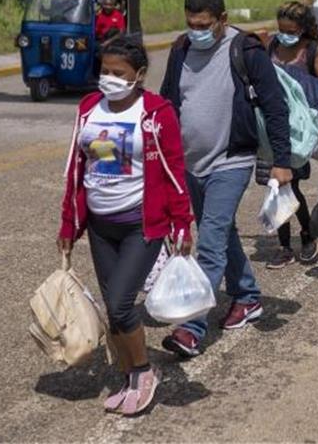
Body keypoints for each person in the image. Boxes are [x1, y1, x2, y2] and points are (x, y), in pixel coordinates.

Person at [57, 36, 194, 417]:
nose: (110, 79)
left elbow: (174, 171)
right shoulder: (88, 109)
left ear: (140, 75)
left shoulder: (156, 112)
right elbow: (76, 170)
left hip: (140, 225)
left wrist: (182, 223)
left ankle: (145, 373)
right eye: (105, 71)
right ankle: (130, 375)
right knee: (112, 307)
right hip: (101, 226)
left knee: (119, 305)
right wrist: (69, 223)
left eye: (119, 73)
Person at [159, 0, 293, 358]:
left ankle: (191, 327)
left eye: (204, 24)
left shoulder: (245, 50)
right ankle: (248, 295)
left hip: (231, 160)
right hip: (190, 163)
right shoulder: (180, 50)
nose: (197, 31)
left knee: (211, 242)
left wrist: (282, 161)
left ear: (223, 20)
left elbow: (274, 106)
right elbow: (168, 103)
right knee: (220, 231)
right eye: (191, 24)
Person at [265, 1, 318, 269]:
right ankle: (284, 245)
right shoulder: (272, 45)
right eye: (281, 29)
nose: (284, 34)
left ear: (302, 29)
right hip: (270, 126)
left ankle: (306, 233)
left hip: (297, 131)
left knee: (290, 185)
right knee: (274, 186)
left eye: (290, 30)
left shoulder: (314, 50)